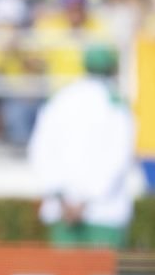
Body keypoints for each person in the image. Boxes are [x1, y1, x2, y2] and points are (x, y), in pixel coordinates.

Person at [27, 44, 137, 249]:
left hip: (63, 212)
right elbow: (119, 157)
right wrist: (85, 201)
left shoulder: (59, 99)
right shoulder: (116, 103)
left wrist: (61, 197)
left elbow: (40, 152)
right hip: (103, 212)